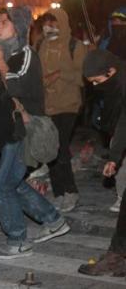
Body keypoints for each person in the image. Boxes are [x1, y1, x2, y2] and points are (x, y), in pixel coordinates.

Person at [0, 6, 70, 259]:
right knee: (13, 183)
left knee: (2, 186)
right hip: (7, 127)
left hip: (23, 127)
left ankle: (18, 241)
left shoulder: (26, 54)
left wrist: (0, 63)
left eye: (5, 21)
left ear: (19, 27)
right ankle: (53, 219)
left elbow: (17, 88)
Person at [78, 49, 126, 277]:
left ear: (111, 71)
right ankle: (118, 256)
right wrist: (114, 158)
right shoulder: (119, 80)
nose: (96, 87)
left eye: (98, 81)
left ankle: (116, 257)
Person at [37, 9, 86, 212]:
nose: (50, 27)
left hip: (68, 105)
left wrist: (59, 74)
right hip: (47, 105)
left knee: (60, 146)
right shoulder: (41, 44)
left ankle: (70, 191)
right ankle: (58, 192)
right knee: (50, 149)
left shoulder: (75, 46)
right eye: (47, 23)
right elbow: (36, 72)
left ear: (63, 24)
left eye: (54, 23)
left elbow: (81, 77)